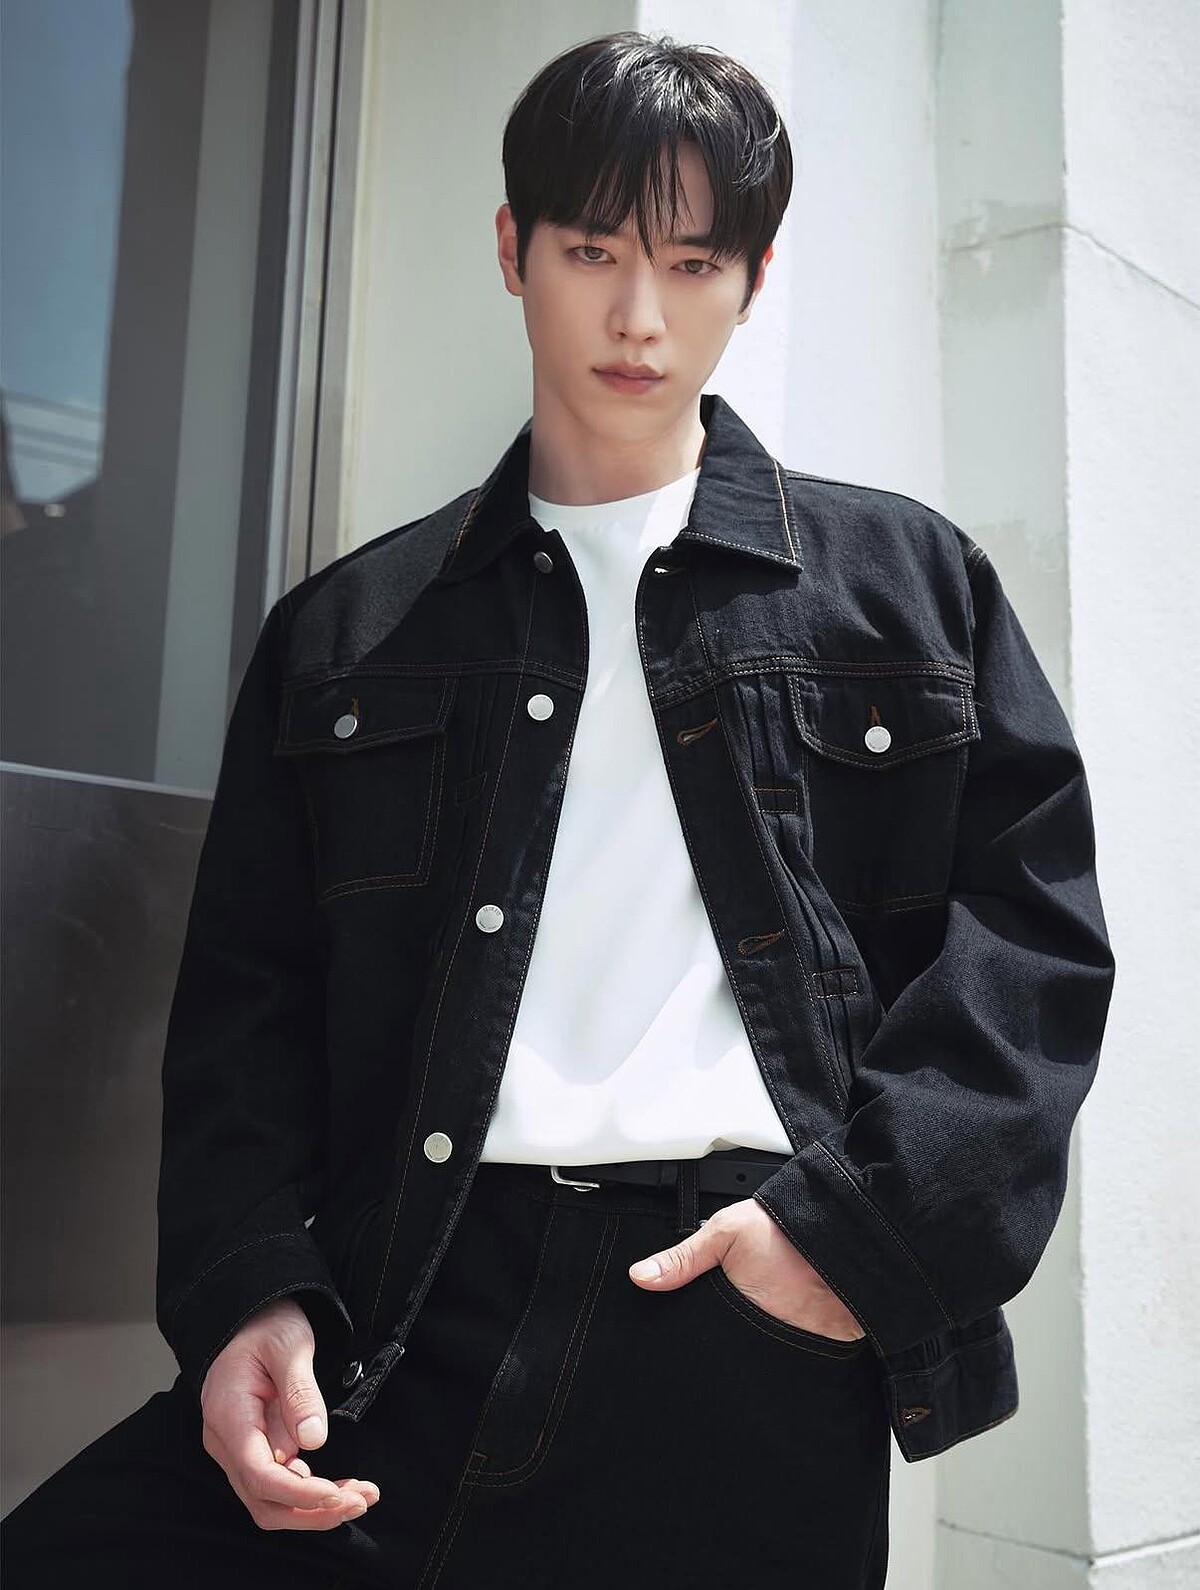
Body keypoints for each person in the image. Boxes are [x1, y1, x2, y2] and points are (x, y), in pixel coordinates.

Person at [1, 29, 1115, 1589]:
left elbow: (1033, 948)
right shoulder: (351, 630)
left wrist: (848, 1243)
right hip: (400, 1306)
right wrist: (251, 1290)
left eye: (692, 262)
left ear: (755, 277)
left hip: (735, 1318)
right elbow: (249, 1003)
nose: (640, 316)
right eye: (592, 251)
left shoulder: (907, 589)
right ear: (512, 248)